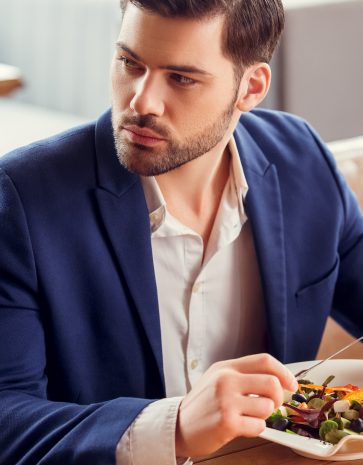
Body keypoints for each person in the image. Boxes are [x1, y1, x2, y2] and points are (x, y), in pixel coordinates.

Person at [1, 0, 363, 464]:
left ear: (250, 87)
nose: (141, 102)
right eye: (130, 63)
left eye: (181, 77)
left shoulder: (301, 158)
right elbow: (7, 418)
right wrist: (173, 427)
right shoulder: (22, 196)